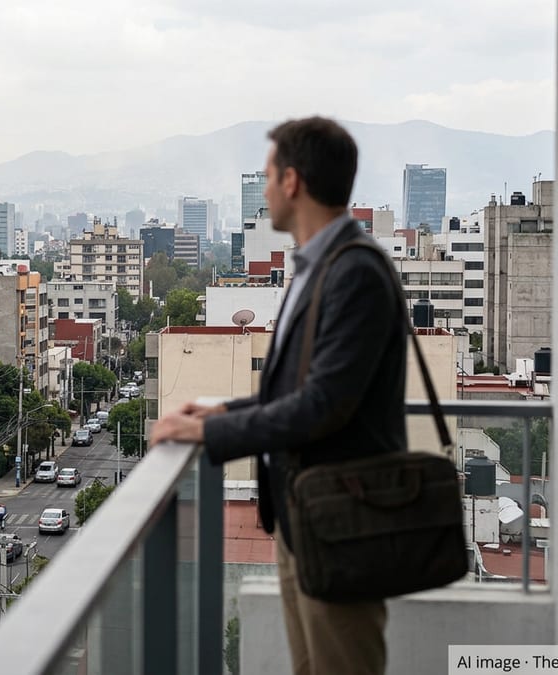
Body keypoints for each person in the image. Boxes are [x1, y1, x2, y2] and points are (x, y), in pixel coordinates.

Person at [150, 117, 401, 675]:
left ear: (292, 182)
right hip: (304, 519)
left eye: (267, 177)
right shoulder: (315, 268)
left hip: (343, 524)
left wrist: (210, 432)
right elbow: (294, 391)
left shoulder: (355, 272)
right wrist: (221, 410)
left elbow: (324, 405)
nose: (263, 191)